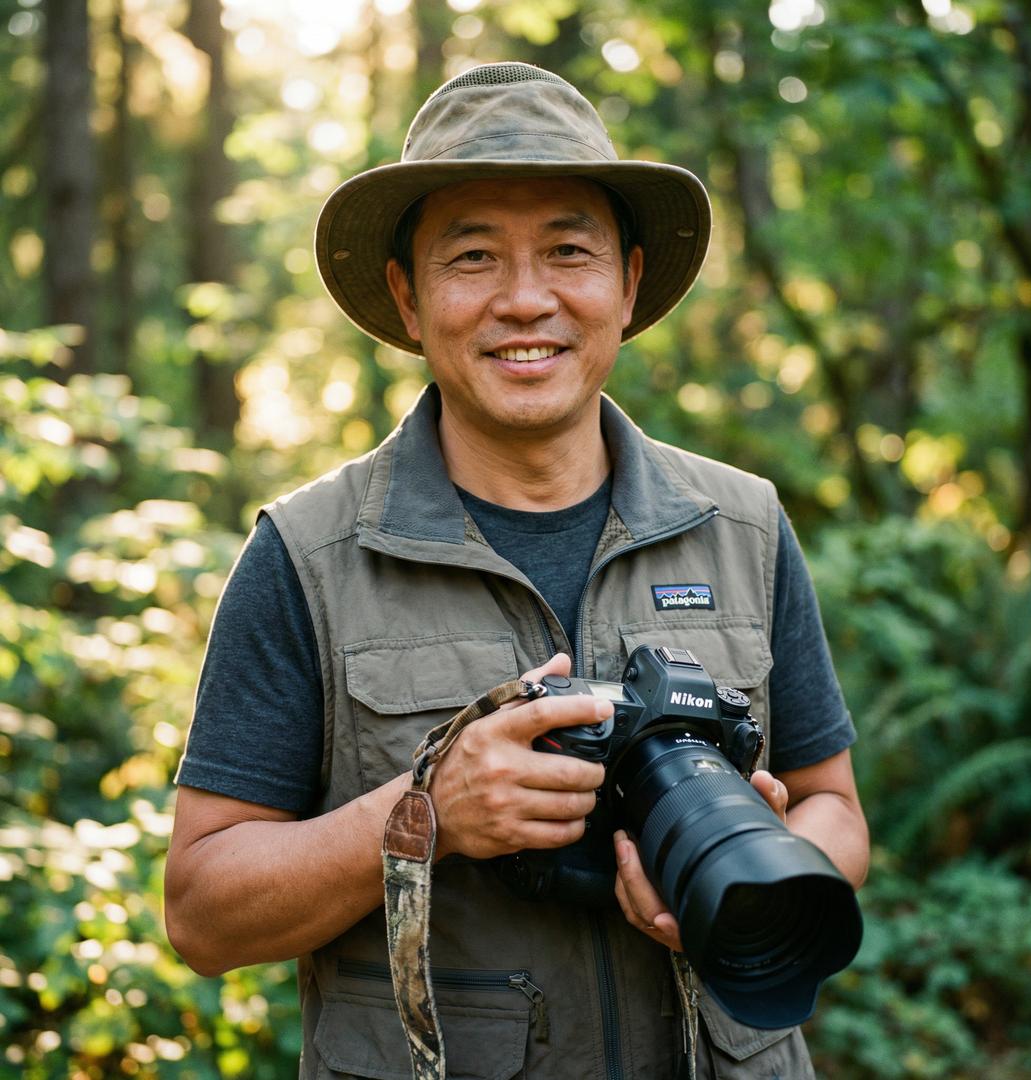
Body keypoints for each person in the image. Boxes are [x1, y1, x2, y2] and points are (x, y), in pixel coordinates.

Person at [165, 62, 869, 1079]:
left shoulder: (743, 524)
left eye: (568, 251)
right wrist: (428, 815)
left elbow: (835, 808)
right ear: (409, 298)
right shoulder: (308, 557)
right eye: (475, 256)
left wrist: (748, 868)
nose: (526, 299)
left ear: (627, 285)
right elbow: (202, 912)